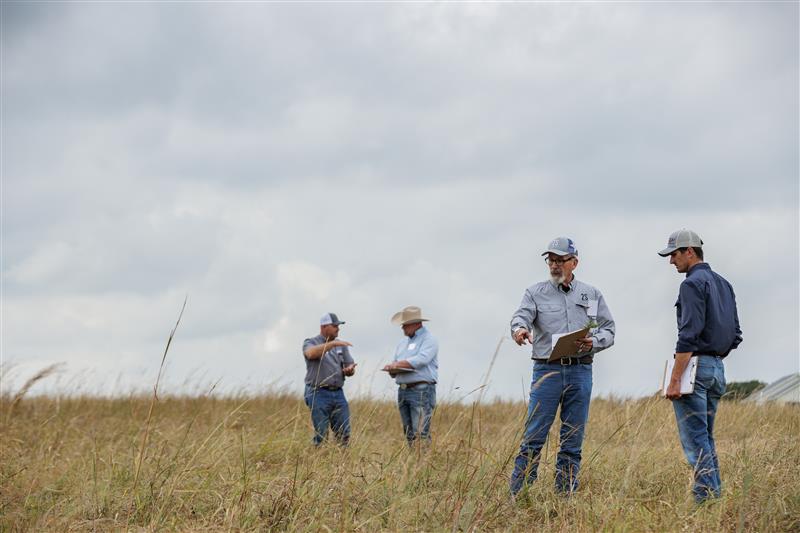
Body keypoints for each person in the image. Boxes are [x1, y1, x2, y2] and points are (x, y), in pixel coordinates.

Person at [509, 237, 615, 496]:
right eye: (551, 260)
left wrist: (593, 341)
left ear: (574, 262)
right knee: (534, 436)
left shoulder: (591, 294)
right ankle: (518, 495)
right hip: (548, 371)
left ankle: (564, 497)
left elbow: (609, 329)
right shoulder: (534, 292)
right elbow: (520, 316)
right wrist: (520, 330)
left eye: (560, 260)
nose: (554, 265)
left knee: (573, 439)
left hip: (580, 371)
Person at [659, 229, 742, 503]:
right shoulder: (724, 284)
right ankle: (714, 498)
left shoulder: (691, 284)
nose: (671, 261)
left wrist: (674, 379)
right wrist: (714, 356)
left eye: (674, 254)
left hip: (695, 370)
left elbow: (688, 334)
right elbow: (736, 334)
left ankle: (704, 502)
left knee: (696, 443)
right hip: (717, 369)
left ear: (690, 252)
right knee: (705, 438)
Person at [382, 306, 439, 446]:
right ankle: (414, 461)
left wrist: (397, 365)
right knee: (409, 433)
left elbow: (422, 359)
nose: (402, 328)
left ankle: (423, 462)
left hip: (421, 390)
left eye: (405, 324)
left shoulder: (429, 339)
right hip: (403, 390)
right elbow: (397, 363)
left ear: (416, 324)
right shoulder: (402, 343)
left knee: (420, 432)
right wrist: (392, 369)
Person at [302, 312, 357, 446]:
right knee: (321, 434)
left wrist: (349, 370)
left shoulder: (341, 345)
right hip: (317, 392)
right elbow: (310, 354)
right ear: (324, 327)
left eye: (338, 326)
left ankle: (342, 463)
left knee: (344, 433)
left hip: (338, 393)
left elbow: (350, 366)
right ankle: (318, 461)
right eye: (335, 325)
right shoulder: (310, 342)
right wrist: (331, 345)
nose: (338, 328)